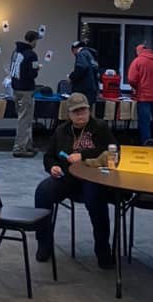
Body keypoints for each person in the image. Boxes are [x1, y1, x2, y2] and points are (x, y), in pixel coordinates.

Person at [34, 93, 115, 269]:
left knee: (96, 200)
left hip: (93, 178)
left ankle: (103, 249)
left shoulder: (100, 127)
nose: (80, 115)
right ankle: (44, 243)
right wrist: (53, 167)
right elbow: (49, 156)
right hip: (67, 178)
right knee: (42, 192)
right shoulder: (61, 131)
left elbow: (112, 151)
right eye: (76, 112)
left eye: (83, 110)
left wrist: (83, 155)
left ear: (89, 110)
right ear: (69, 114)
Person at [9, 30, 41, 158]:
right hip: (26, 89)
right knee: (24, 119)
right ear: (33, 40)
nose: (36, 43)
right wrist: (37, 68)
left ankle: (27, 145)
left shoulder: (15, 52)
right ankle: (19, 147)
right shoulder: (31, 55)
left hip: (15, 88)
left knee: (23, 118)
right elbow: (33, 74)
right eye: (36, 40)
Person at [127, 43, 153, 143]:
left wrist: (136, 88)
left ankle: (147, 145)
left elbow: (131, 79)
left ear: (138, 51)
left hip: (144, 96)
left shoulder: (137, 61)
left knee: (145, 123)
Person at [69, 41, 99, 106]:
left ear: (74, 49)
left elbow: (81, 67)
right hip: (92, 90)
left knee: (80, 109)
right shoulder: (91, 55)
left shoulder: (81, 54)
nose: (74, 54)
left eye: (72, 52)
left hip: (83, 91)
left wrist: (71, 77)